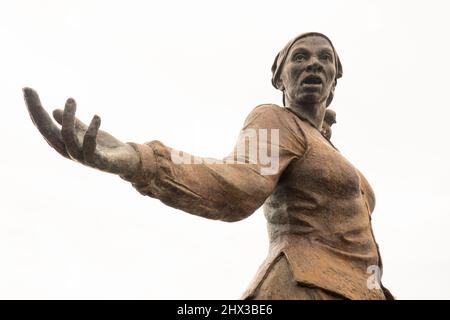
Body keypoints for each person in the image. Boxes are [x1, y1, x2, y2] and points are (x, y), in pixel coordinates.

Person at [23, 32, 393, 300]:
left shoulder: (331, 151)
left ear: (335, 80)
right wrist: (139, 160)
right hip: (306, 288)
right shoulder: (275, 120)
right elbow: (238, 182)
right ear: (279, 78)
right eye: (299, 56)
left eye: (324, 57)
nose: (313, 62)